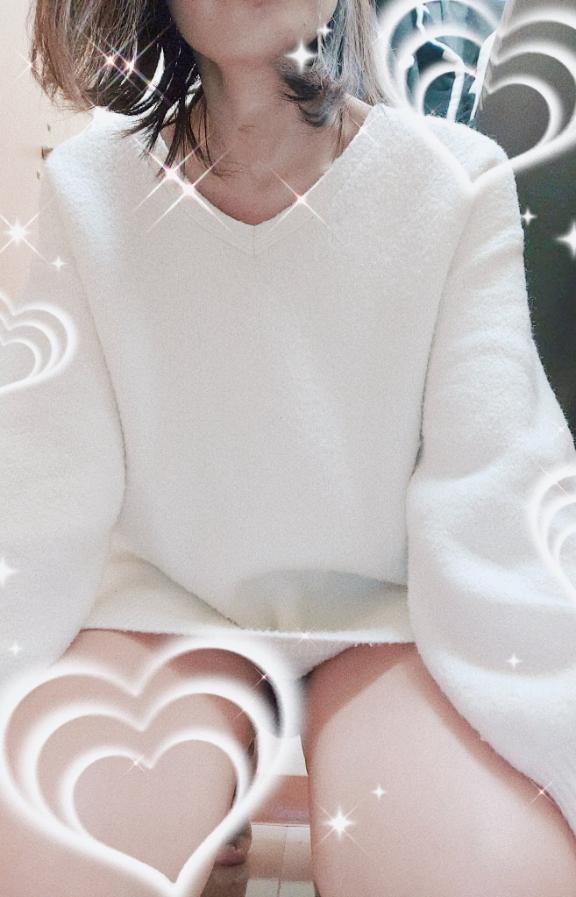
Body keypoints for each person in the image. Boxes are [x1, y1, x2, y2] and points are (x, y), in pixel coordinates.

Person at [2, 0, 576, 894]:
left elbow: (497, 500)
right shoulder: (88, 187)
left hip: (389, 622)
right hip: (164, 609)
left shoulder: (454, 184)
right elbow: (37, 497)